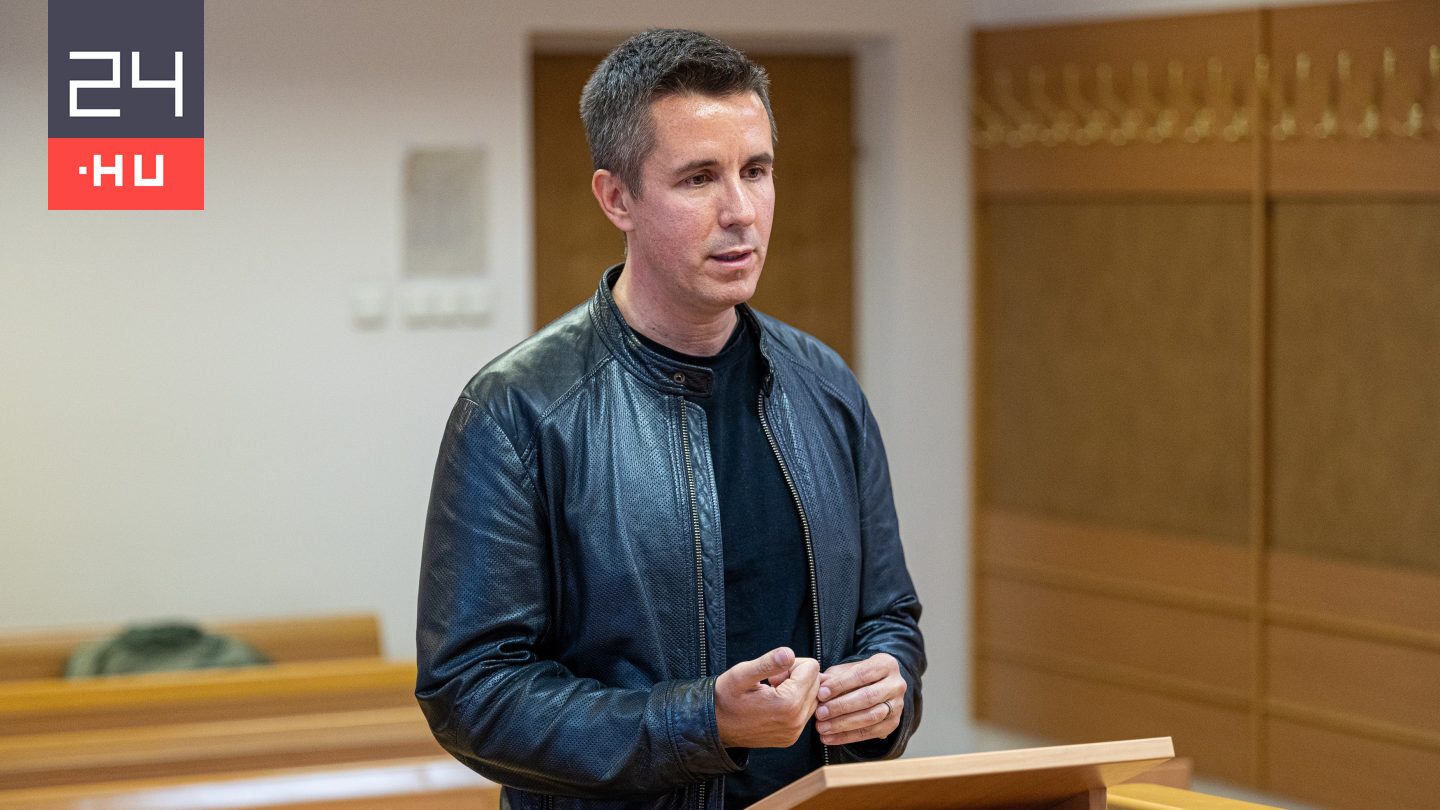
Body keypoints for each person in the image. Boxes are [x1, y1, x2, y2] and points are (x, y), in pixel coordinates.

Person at [416, 28, 924, 810]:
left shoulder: (825, 385)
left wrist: (888, 690)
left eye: (756, 171)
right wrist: (702, 724)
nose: (741, 211)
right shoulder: (517, 410)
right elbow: (471, 693)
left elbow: (889, 616)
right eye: (699, 178)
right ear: (616, 198)